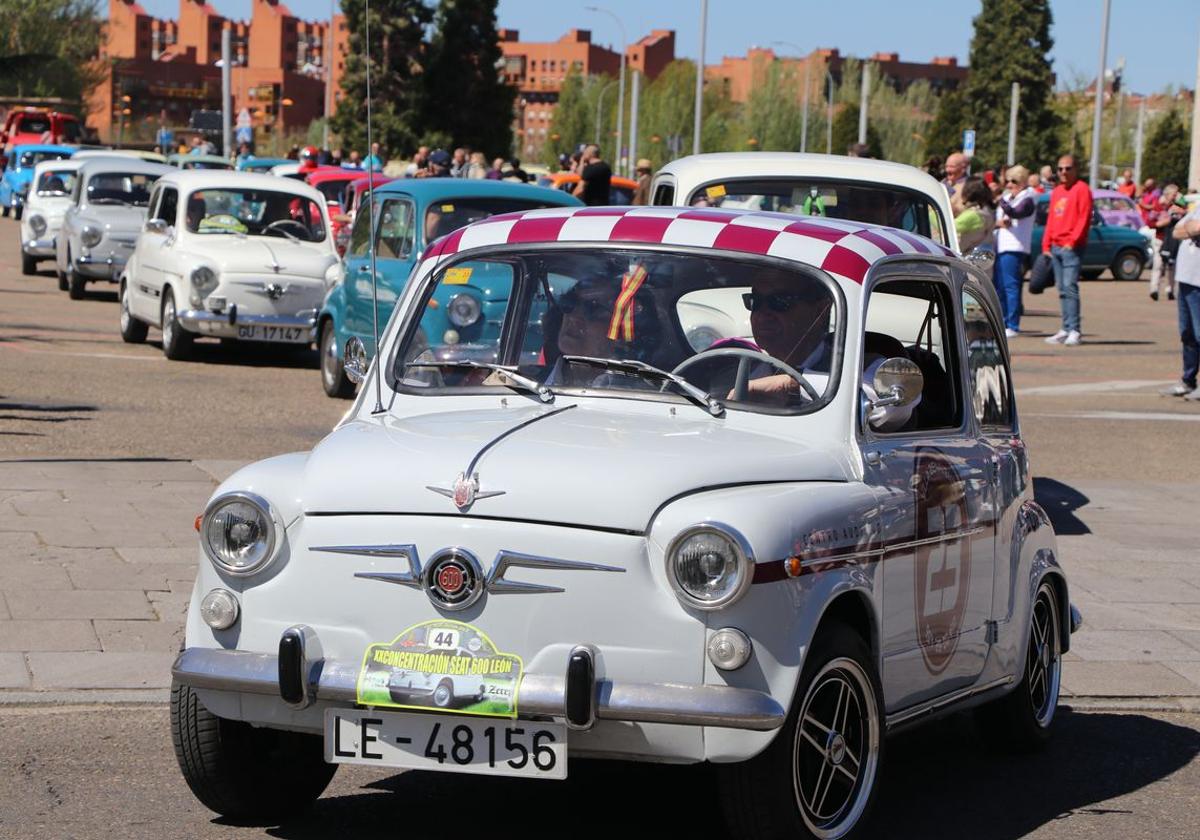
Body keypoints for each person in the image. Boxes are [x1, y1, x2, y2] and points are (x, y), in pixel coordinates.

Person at [1042, 154, 1092, 345]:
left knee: (1070, 288)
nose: (1063, 172)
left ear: (1076, 169)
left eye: (1068, 168)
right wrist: (1046, 244)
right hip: (1055, 246)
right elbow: (1051, 219)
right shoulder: (1057, 191)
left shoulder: (1082, 189)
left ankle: (1075, 330)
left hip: (1071, 247)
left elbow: (1084, 218)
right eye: (1060, 168)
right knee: (1062, 289)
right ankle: (1065, 327)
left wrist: (1073, 241)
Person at [1160, 204, 1200, 400]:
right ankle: (1188, 380)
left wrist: (1192, 227)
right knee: (1187, 333)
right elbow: (1177, 231)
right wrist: (1191, 227)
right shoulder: (1198, 207)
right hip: (1186, 278)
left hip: (1199, 281)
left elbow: (1194, 228)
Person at [994, 165, 1037, 337]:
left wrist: (1001, 202)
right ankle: (1002, 321)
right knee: (999, 287)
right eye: (1008, 181)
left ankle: (1013, 324)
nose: (1010, 184)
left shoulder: (1028, 198)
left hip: (1014, 247)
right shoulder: (1008, 197)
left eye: (1014, 181)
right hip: (1000, 245)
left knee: (1011, 286)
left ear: (1023, 182)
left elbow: (1016, 213)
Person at [1148, 184, 1187, 301]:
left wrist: (1182, 211)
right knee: (1158, 265)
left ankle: (1170, 289)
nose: (1176, 197)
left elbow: (1186, 216)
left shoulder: (1177, 206)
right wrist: (1162, 222)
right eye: (1174, 194)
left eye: (1176, 194)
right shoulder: (1158, 206)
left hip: (1173, 241)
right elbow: (1151, 222)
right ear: (1167, 194)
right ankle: (1154, 289)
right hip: (1160, 239)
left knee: (1172, 265)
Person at [954, 177, 996, 253]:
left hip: (967, 257)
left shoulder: (973, 215)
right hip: (982, 255)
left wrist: (932, 213)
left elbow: (950, 227)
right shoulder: (988, 210)